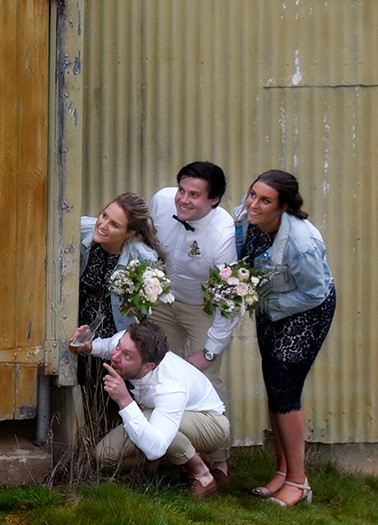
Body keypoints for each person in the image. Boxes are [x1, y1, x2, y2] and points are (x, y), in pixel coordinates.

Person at [236, 170, 335, 507]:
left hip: (305, 311)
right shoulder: (247, 215)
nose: (253, 204)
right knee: (273, 384)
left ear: (284, 207)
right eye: (252, 194)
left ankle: (299, 482)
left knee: (286, 392)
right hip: (271, 304)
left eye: (265, 200)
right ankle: (282, 472)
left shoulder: (301, 243)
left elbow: (316, 292)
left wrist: (267, 303)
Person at [147, 162, 239, 479]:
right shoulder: (161, 200)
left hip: (204, 308)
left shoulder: (224, 233)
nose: (183, 200)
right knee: (157, 371)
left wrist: (209, 350)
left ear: (213, 200)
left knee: (208, 378)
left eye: (194, 195)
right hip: (163, 298)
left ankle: (220, 459)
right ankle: (165, 451)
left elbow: (233, 298)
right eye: (182, 190)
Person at [74, 321, 230, 498]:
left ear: (148, 367)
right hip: (162, 415)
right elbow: (106, 346)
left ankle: (202, 474)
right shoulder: (125, 341)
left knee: (154, 431)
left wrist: (125, 400)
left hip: (210, 423)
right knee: (104, 457)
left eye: (127, 356)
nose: (115, 357)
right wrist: (88, 346)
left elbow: (156, 448)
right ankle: (183, 459)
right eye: (118, 348)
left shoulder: (169, 388)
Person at [69, 193, 163, 432]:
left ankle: (112, 449)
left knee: (109, 395)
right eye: (104, 215)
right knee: (82, 388)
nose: (103, 225)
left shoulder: (142, 259)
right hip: (81, 325)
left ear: (130, 233)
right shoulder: (81, 230)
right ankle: (89, 444)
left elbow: (142, 310)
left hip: (116, 331)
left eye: (114, 224)